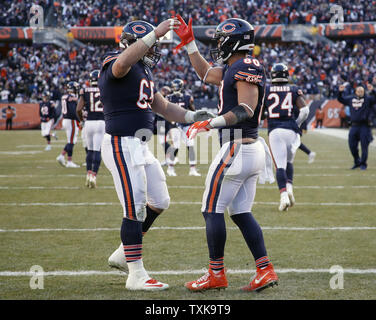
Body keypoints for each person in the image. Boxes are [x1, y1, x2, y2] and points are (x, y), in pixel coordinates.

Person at [99, 18, 214, 291]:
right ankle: (136, 274)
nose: (154, 50)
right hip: (121, 144)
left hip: (139, 145)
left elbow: (162, 106)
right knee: (135, 208)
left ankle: (122, 252)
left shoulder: (144, 71)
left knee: (160, 200)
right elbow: (121, 64)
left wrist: (192, 116)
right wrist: (155, 33)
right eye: (151, 45)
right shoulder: (116, 60)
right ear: (134, 42)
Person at [174, 16, 277, 292]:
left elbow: (246, 108)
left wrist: (211, 122)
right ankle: (264, 270)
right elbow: (206, 74)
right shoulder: (236, 65)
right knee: (241, 212)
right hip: (250, 149)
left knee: (211, 210)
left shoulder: (243, 65)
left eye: (221, 40)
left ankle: (215, 273)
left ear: (234, 41)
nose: (218, 45)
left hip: (236, 147)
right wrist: (189, 43)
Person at [265, 63, 310, 211]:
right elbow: (304, 110)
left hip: (275, 131)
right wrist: (296, 124)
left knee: (280, 166)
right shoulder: (293, 89)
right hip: (290, 130)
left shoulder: (266, 89)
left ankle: (283, 196)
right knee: (289, 161)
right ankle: (289, 187)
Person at [166, 78, 201, 177]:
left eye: (176, 87)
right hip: (174, 125)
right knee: (176, 146)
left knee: (190, 145)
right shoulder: (169, 98)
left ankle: (192, 169)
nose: (175, 88)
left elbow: (192, 110)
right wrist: (171, 121)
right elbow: (165, 112)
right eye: (174, 87)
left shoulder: (187, 97)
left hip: (186, 125)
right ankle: (170, 168)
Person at [337, 84, 376, 170]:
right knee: (352, 145)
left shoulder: (368, 99)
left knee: (364, 146)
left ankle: (363, 164)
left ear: (364, 92)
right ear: (355, 92)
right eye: (358, 91)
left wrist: (373, 90)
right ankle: (357, 161)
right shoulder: (351, 99)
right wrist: (340, 92)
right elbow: (340, 99)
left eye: (362, 91)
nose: (360, 92)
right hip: (354, 126)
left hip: (364, 126)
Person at [76, 70, 104, 188]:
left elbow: (78, 109)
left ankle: (88, 174)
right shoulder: (105, 89)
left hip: (89, 123)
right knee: (97, 151)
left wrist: (82, 120)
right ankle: (93, 176)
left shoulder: (85, 91)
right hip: (101, 122)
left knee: (90, 150)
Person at [56, 81, 81, 168]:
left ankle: (63, 156)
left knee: (70, 141)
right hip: (71, 121)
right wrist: (80, 120)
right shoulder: (72, 97)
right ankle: (67, 160)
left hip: (65, 119)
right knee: (71, 141)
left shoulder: (64, 96)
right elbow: (74, 111)